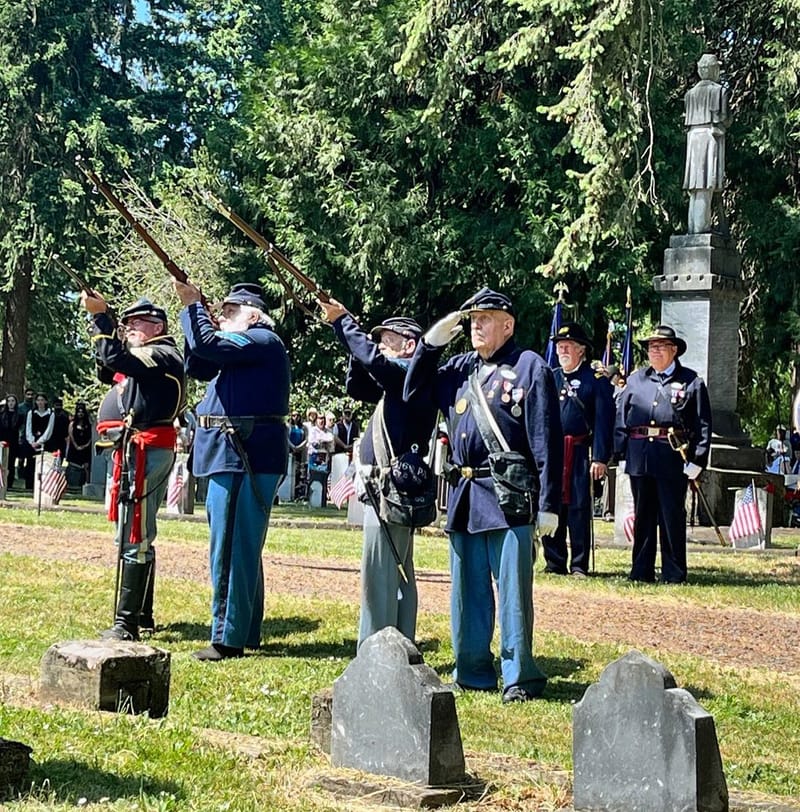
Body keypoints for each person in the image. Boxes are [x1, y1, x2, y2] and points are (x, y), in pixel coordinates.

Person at [404, 287, 562, 703]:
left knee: (512, 594)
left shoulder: (530, 367)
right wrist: (430, 344)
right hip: (465, 495)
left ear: (507, 325)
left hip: (508, 495)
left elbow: (545, 438)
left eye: (486, 318)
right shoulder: (459, 367)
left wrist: (548, 505)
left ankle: (519, 676)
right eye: (473, 319)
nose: (476, 325)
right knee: (467, 592)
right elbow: (414, 392)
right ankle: (472, 670)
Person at [175, 280, 289, 661]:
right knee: (241, 547)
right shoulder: (246, 350)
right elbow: (199, 362)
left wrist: (193, 308)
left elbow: (209, 346)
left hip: (241, 454)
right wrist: (199, 319)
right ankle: (246, 628)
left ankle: (227, 636)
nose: (221, 319)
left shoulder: (260, 339)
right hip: (233, 454)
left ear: (252, 315)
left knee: (229, 548)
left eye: (228, 313)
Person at [319, 299, 438, 647]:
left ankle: (375, 647)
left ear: (410, 345)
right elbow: (359, 384)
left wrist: (343, 322)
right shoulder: (399, 380)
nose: (382, 347)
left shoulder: (412, 376)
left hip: (392, 485)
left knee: (380, 571)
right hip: (386, 485)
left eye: (389, 340)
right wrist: (355, 346)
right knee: (394, 569)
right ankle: (398, 643)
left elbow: (374, 361)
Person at [82, 293, 185, 641]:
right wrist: (107, 327)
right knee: (134, 531)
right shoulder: (147, 355)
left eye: (136, 323)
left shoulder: (160, 352)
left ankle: (126, 623)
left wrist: (101, 321)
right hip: (135, 449)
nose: (130, 328)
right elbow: (106, 366)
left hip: (146, 450)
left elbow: (115, 357)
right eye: (126, 323)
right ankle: (141, 615)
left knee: (134, 533)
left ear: (157, 327)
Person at [615, 325, 712, 584]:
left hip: (672, 457)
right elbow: (622, 418)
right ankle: (641, 570)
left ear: (674, 350)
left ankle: (674, 572)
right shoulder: (636, 380)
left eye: (659, 346)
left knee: (671, 516)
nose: (654, 351)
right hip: (641, 457)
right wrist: (621, 452)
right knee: (643, 516)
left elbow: (702, 424)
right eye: (650, 347)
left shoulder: (691, 381)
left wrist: (698, 461)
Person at [541, 323, 615, 576]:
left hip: (580, 452)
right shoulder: (550, 377)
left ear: (581, 350)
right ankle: (554, 561)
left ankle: (579, 564)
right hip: (553, 453)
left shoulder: (595, 381)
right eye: (559, 346)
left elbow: (604, 422)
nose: (562, 350)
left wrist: (601, 457)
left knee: (579, 508)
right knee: (551, 504)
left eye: (568, 346)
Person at [683, 53, 731, 234]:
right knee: (705, 184)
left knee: (695, 187)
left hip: (693, 138)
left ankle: (693, 228)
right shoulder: (720, 91)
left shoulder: (690, 95)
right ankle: (701, 229)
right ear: (714, 69)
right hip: (710, 137)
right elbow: (724, 119)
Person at [23, 394, 55, 490]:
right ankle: (29, 486)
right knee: (30, 465)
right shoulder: (31, 413)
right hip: (32, 443)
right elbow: (28, 428)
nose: (40, 402)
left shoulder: (51, 414)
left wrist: (40, 441)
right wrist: (32, 441)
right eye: (38, 400)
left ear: (46, 402)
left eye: (42, 400)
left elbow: (49, 429)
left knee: (44, 465)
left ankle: (43, 487)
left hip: (46, 443)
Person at [65, 401, 93, 487]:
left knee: (86, 467)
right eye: (78, 412)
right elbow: (71, 436)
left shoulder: (89, 425)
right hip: (74, 449)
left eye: (82, 412)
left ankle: (86, 484)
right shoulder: (72, 424)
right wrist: (76, 446)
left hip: (86, 449)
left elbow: (91, 437)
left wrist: (86, 445)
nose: (80, 414)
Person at [0, 394, 24, 489]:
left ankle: (9, 484)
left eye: (13, 401)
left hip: (13, 442)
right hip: (2, 440)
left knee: (11, 463)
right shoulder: (1, 415)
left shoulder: (20, 416)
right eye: (9, 401)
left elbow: (20, 429)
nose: (11, 403)